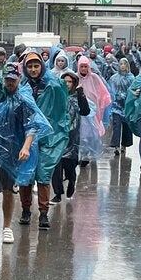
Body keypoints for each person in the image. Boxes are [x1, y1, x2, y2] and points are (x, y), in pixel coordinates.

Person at [0, 63, 51, 248]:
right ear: (2, 78)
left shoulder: (23, 98)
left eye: (13, 80)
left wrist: (26, 147)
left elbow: (32, 125)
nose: (10, 84)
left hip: (11, 151)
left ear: (19, 79)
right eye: (7, 80)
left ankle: (7, 227)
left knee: (7, 190)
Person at [18, 52, 69, 229]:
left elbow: (61, 111)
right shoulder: (21, 85)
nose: (33, 69)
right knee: (26, 174)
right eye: (30, 66)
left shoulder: (53, 85)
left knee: (43, 175)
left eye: (36, 66)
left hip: (47, 137)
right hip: (25, 137)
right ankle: (25, 210)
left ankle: (43, 213)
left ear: (42, 66)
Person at [52, 71, 91, 201]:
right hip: (57, 135)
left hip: (72, 136)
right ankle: (57, 193)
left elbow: (85, 111)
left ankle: (71, 182)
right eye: (65, 81)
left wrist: (81, 93)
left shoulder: (77, 96)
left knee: (70, 165)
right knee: (56, 165)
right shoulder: (57, 95)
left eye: (70, 82)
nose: (67, 84)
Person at [76, 57, 112, 165]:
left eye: (85, 66)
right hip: (80, 111)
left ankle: (88, 152)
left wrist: (101, 104)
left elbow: (103, 92)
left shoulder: (94, 77)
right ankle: (83, 154)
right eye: (81, 66)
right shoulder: (75, 77)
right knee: (82, 133)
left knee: (91, 133)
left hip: (93, 111)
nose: (83, 69)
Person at [108, 58, 135, 156]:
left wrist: (128, 96)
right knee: (116, 126)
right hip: (116, 106)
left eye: (124, 64)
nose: (123, 66)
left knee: (127, 127)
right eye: (121, 64)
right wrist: (116, 97)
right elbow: (110, 90)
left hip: (127, 106)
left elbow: (134, 90)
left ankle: (124, 144)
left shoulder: (131, 78)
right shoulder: (114, 78)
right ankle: (116, 146)